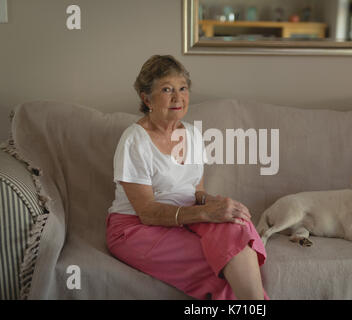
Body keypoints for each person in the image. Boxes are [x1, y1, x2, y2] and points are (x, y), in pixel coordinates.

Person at [106, 55, 269, 300]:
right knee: (218, 261)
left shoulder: (192, 134)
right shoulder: (134, 140)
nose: (178, 97)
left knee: (236, 226)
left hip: (184, 217)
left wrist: (215, 204)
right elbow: (147, 212)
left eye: (183, 88)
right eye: (167, 89)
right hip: (136, 228)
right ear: (146, 98)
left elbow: (196, 192)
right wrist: (204, 213)